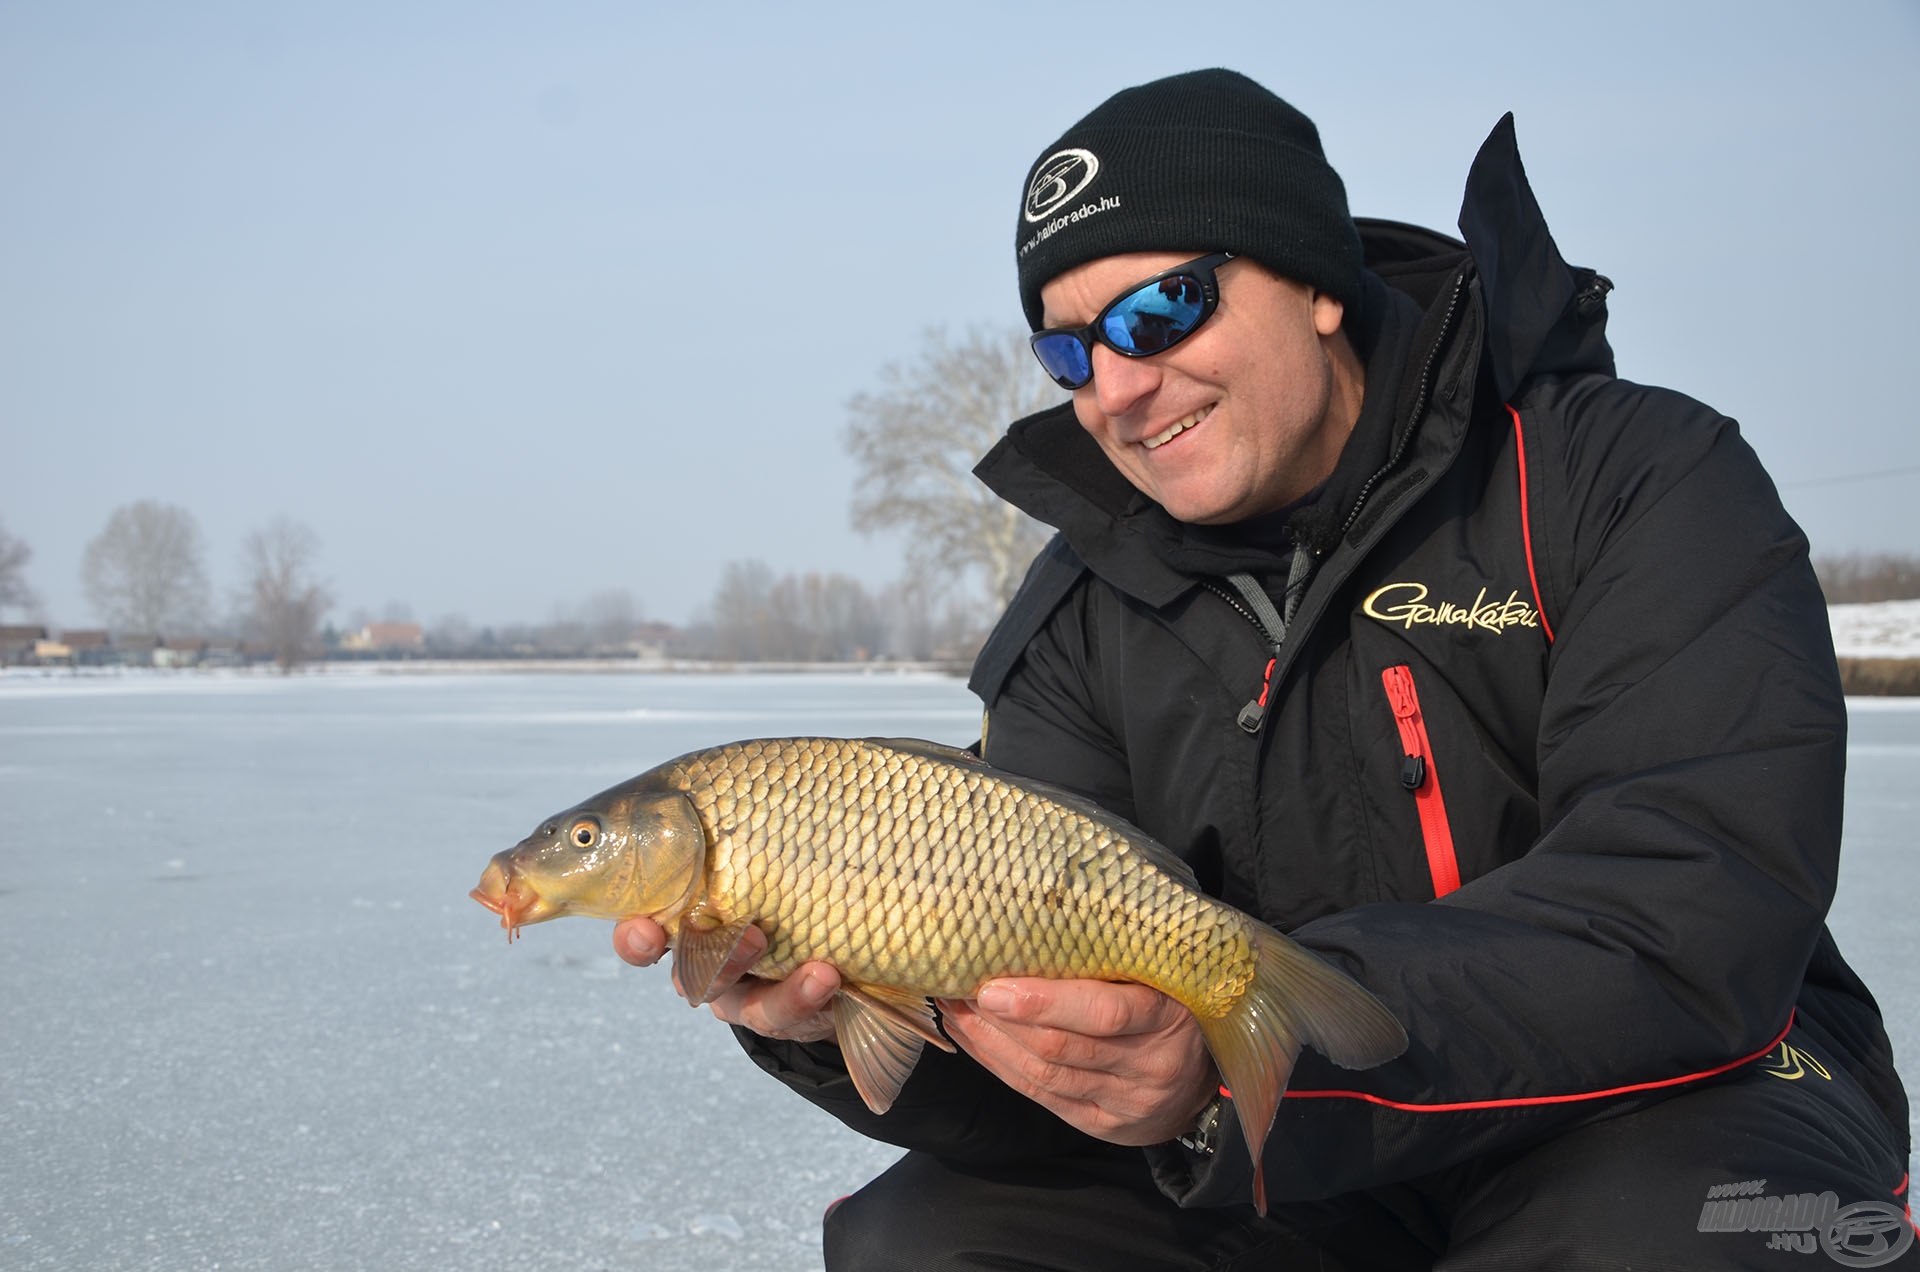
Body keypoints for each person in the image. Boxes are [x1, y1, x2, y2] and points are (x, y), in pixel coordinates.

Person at [616, 69, 1914, 1269]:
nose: (1120, 385)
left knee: (1668, 1240)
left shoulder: (1631, 480)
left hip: (1685, 1095)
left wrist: (1258, 1058)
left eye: (1161, 307)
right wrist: (838, 1021)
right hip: (1281, 1138)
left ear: (1315, 282)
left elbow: (1689, 914)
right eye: (1069, 352)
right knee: (929, 1241)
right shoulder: (1078, 609)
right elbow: (1052, 1043)